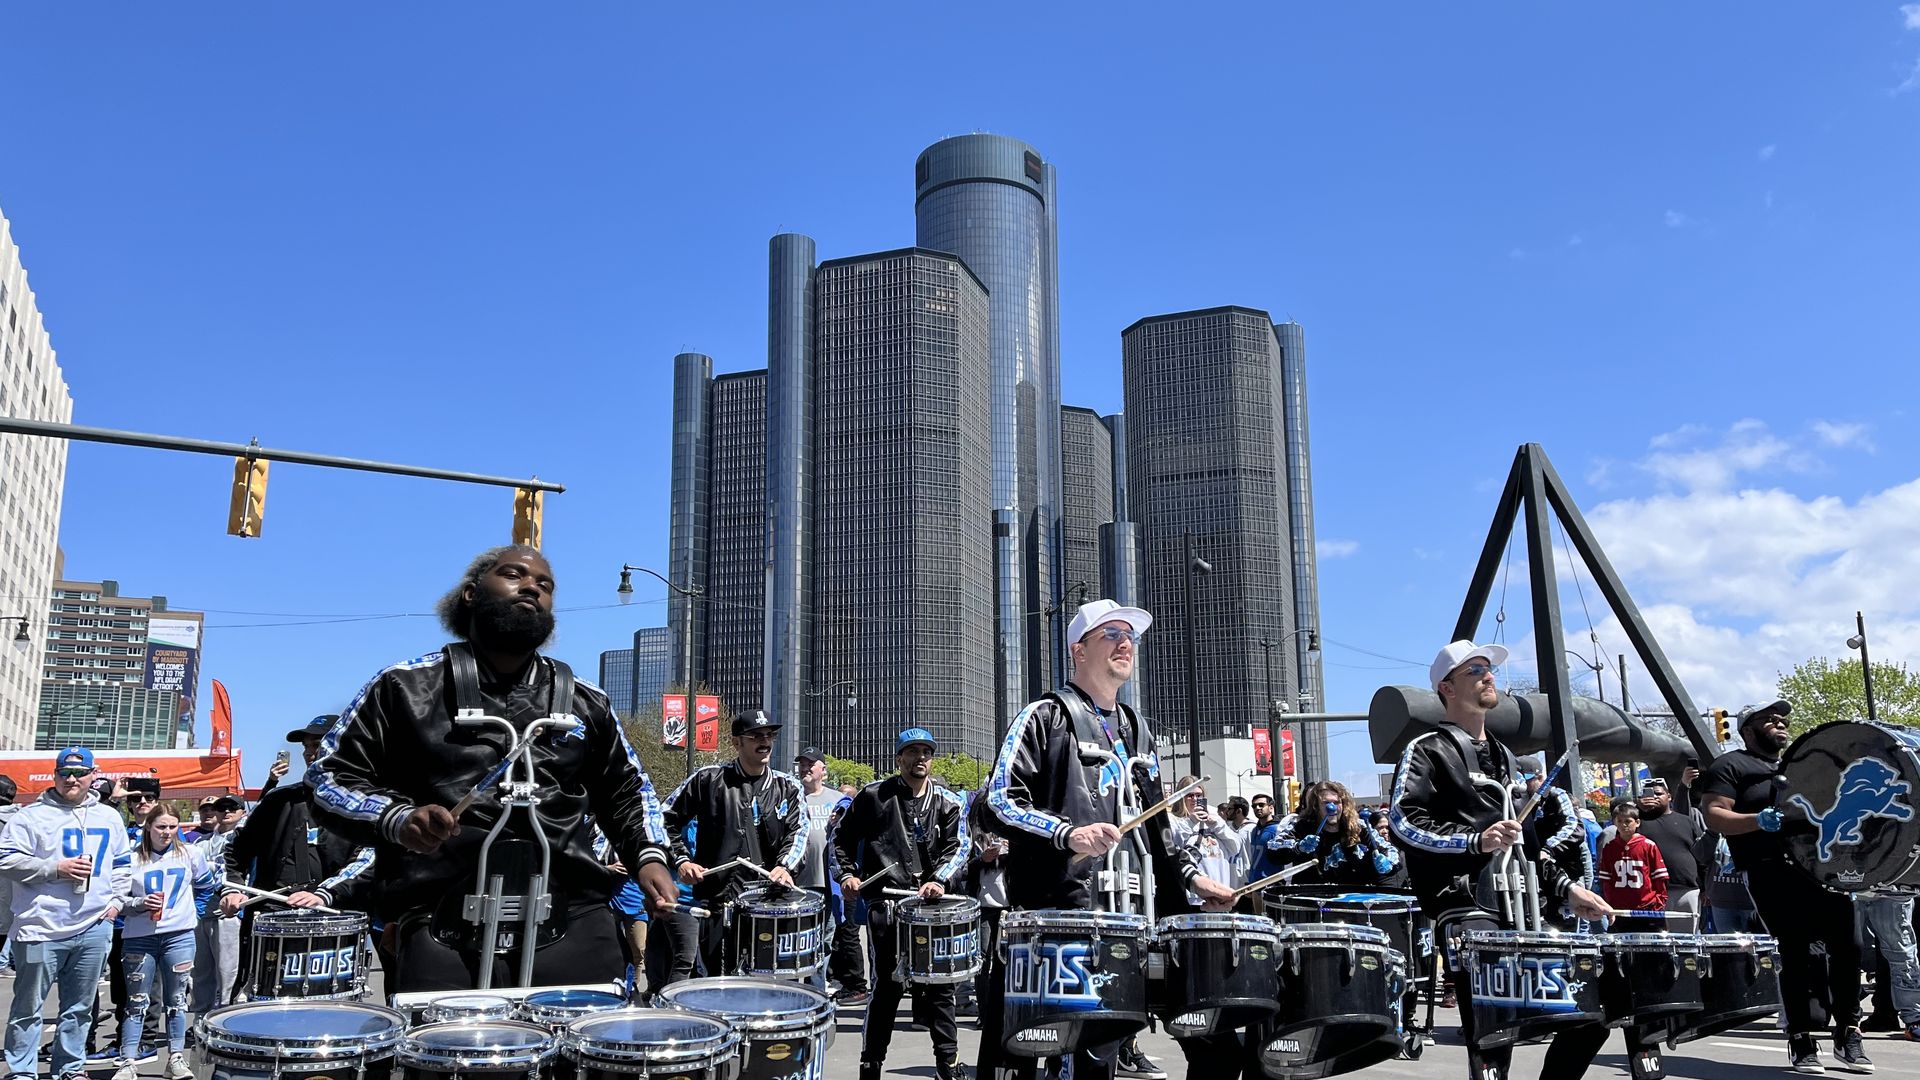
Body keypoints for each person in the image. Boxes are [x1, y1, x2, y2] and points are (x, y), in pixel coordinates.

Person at [312, 544, 676, 991]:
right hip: (441, 921)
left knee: (587, 1055)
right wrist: (397, 818)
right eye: (514, 575)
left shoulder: (589, 701)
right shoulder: (403, 687)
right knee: (450, 1058)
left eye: (545, 585)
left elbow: (629, 791)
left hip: (574, 918)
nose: (532, 587)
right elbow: (328, 777)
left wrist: (649, 857)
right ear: (470, 594)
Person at [986, 599, 1236, 1080]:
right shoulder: (1043, 716)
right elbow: (999, 800)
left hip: (1133, 921)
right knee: (1051, 1061)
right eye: (1111, 634)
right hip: (1061, 918)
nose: (1126, 643)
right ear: (1078, 650)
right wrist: (1066, 834)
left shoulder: (1138, 729)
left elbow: (1156, 825)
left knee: (1202, 1048)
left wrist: (1192, 878)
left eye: (1131, 636)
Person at [1389, 641, 1613, 1080]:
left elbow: (1524, 843)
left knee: (1592, 1014)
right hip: (1467, 907)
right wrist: (1474, 841)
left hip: (1524, 906)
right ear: (1447, 688)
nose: (1488, 675)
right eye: (1475, 670)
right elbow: (1402, 821)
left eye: (1488, 668)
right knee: (1494, 1036)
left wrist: (1569, 889)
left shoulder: (1505, 757)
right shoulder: (1426, 749)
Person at [1698, 700, 1870, 1073]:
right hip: (1770, 870)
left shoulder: (1798, 764)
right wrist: (1757, 820)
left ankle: (1848, 1033)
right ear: (1747, 729)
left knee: (1850, 946)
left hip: (1824, 869)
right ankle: (1802, 1039)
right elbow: (1715, 815)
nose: (1780, 723)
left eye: (1783, 719)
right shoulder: (1731, 765)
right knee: (1798, 952)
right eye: (1770, 719)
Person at [835, 728, 971, 1080]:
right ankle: (871, 1063)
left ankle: (948, 1062)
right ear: (899, 758)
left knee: (942, 987)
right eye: (912, 752)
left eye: (926, 751)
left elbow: (959, 846)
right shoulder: (873, 796)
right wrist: (846, 875)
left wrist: (938, 879)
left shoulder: (948, 801)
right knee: (887, 987)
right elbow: (841, 838)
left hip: (934, 907)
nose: (920, 758)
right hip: (887, 904)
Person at [217, 715, 377, 996]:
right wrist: (232, 887)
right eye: (306, 746)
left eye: (317, 744)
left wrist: (326, 894)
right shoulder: (277, 801)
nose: (308, 752)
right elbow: (235, 848)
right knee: (262, 1002)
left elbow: (369, 859)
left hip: (334, 920)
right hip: (273, 917)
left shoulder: (363, 803)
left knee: (328, 1002)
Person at [0, 747, 133, 1080]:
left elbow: (121, 865)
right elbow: (5, 859)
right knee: (27, 1009)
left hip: (94, 926)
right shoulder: (30, 816)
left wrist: (115, 903)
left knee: (80, 1008)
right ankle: (21, 1072)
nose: (71, 779)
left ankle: (70, 1068)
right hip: (40, 926)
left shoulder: (109, 816)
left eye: (80, 773)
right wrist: (54, 868)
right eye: (64, 773)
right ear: (55, 774)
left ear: (94, 775)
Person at [661, 710, 808, 980]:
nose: (765, 742)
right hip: (718, 902)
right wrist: (681, 860)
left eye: (769, 735)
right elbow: (663, 819)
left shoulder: (788, 786)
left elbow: (799, 832)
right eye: (755, 736)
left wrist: (785, 867)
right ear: (737, 743)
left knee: (770, 985)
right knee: (718, 984)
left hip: (770, 903)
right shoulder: (708, 779)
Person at [112, 808, 219, 1080]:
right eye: (160, 826)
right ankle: (128, 1061)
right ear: (148, 827)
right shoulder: (131, 858)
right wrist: (137, 904)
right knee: (136, 1001)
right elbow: (114, 898)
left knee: (177, 1000)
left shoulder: (190, 853)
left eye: (172, 826)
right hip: (139, 937)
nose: (166, 832)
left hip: (179, 935)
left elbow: (206, 885)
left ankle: (176, 1057)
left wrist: (194, 912)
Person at [794, 746, 866, 1003]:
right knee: (796, 942)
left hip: (828, 885)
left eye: (810, 764)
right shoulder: (793, 797)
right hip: (798, 884)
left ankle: (815, 994)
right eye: (802, 763)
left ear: (823, 770)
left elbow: (855, 825)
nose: (805, 768)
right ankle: (794, 994)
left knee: (824, 941)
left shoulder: (838, 799)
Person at [965, 782, 1014, 1078]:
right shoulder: (972, 834)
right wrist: (980, 860)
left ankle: (1003, 1014)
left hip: (1010, 904)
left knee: (1006, 961)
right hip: (983, 904)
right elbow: (962, 869)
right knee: (982, 961)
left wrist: (1006, 855)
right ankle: (986, 1014)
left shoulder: (1013, 831)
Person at [1280, 779, 1400, 887]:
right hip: (1312, 901)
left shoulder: (1359, 828)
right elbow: (1274, 849)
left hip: (1355, 902)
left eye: (1337, 803)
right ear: (1316, 806)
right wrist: (1298, 847)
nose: (1332, 807)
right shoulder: (1301, 826)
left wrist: (1389, 862)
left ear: (1343, 805)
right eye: (1326, 803)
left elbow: (1390, 851)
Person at [190, 795, 247, 1017]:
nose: (226, 812)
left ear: (242, 811)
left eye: (232, 808)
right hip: (201, 912)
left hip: (230, 914)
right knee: (200, 971)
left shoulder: (247, 839)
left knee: (227, 971)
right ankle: (200, 1018)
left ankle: (225, 1016)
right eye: (221, 808)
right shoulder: (199, 843)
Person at [1633, 778, 1708, 918]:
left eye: (1658, 794)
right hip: (1650, 891)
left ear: (1669, 796)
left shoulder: (1686, 821)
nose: (1654, 797)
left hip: (1687, 890)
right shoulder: (1637, 822)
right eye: (1649, 794)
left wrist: (1705, 888)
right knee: (1656, 938)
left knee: (1687, 938)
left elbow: (1701, 856)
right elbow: (1622, 838)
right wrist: (1638, 810)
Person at [1596, 802, 1667, 931]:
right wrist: (1610, 903)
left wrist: (1658, 902)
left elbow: (1659, 878)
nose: (1624, 825)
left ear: (1637, 822)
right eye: (1620, 821)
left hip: (1647, 908)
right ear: (1614, 822)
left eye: (1628, 821)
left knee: (1651, 946)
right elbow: (1606, 880)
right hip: (1620, 909)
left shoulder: (1648, 845)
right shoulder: (1610, 848)